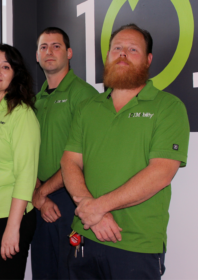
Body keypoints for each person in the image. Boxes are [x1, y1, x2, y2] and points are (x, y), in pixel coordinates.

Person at [61, 23, 190, 280]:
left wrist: (99, 208)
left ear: (148, 59)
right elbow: (69, 162)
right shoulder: (88, 107)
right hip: (84, 236)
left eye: (132, 49)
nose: (122, 54)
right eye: (117, 48)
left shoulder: (169, 107)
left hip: (135, 245)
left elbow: (161, 173)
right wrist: (91, 210)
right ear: (107, 56)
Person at [31, 27, 98, 280]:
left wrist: (43, 192)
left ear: (69, 53)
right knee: (43, 272)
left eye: (56, 46)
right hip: (39, 199)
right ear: (37, 56)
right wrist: (37, 193)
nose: (49, 51)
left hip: (71, 199)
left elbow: (82, 159)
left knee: (69, 272)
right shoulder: (36, 101)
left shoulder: (84, 96)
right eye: (43, 47)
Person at [0, 43, 40, 280]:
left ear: (15, 75)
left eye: (6, 66)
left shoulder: (21, 113)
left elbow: (26, 174)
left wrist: (13, 229)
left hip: (8, 215)